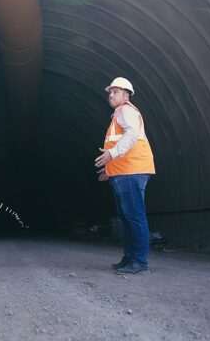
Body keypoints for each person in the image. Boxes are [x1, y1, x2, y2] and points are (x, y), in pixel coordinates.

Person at [94, 77, 156, 274]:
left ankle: (139, 262)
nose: (111, 94)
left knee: (135, 216)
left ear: (126, 95)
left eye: (115, 91)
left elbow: (130, 136)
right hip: (123, 170)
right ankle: (129, 258)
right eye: (110, 92)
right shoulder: (118, 114)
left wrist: (111, 154)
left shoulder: (126, 111)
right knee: (127, 217)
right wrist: (109, 169)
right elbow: (122, 143)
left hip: (132, 170)